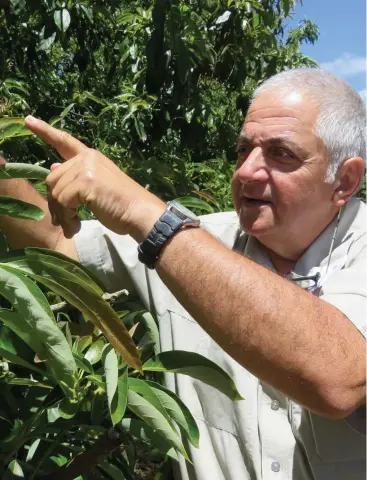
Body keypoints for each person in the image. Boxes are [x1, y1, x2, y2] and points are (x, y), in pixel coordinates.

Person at [0, 68, 365, 479]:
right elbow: (57, 243)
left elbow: (340, 378)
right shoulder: (200, 242)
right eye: (244, 150)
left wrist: (148, 216)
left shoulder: (177, 244)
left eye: (282, 153)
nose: (246, 172)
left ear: (344, 180)